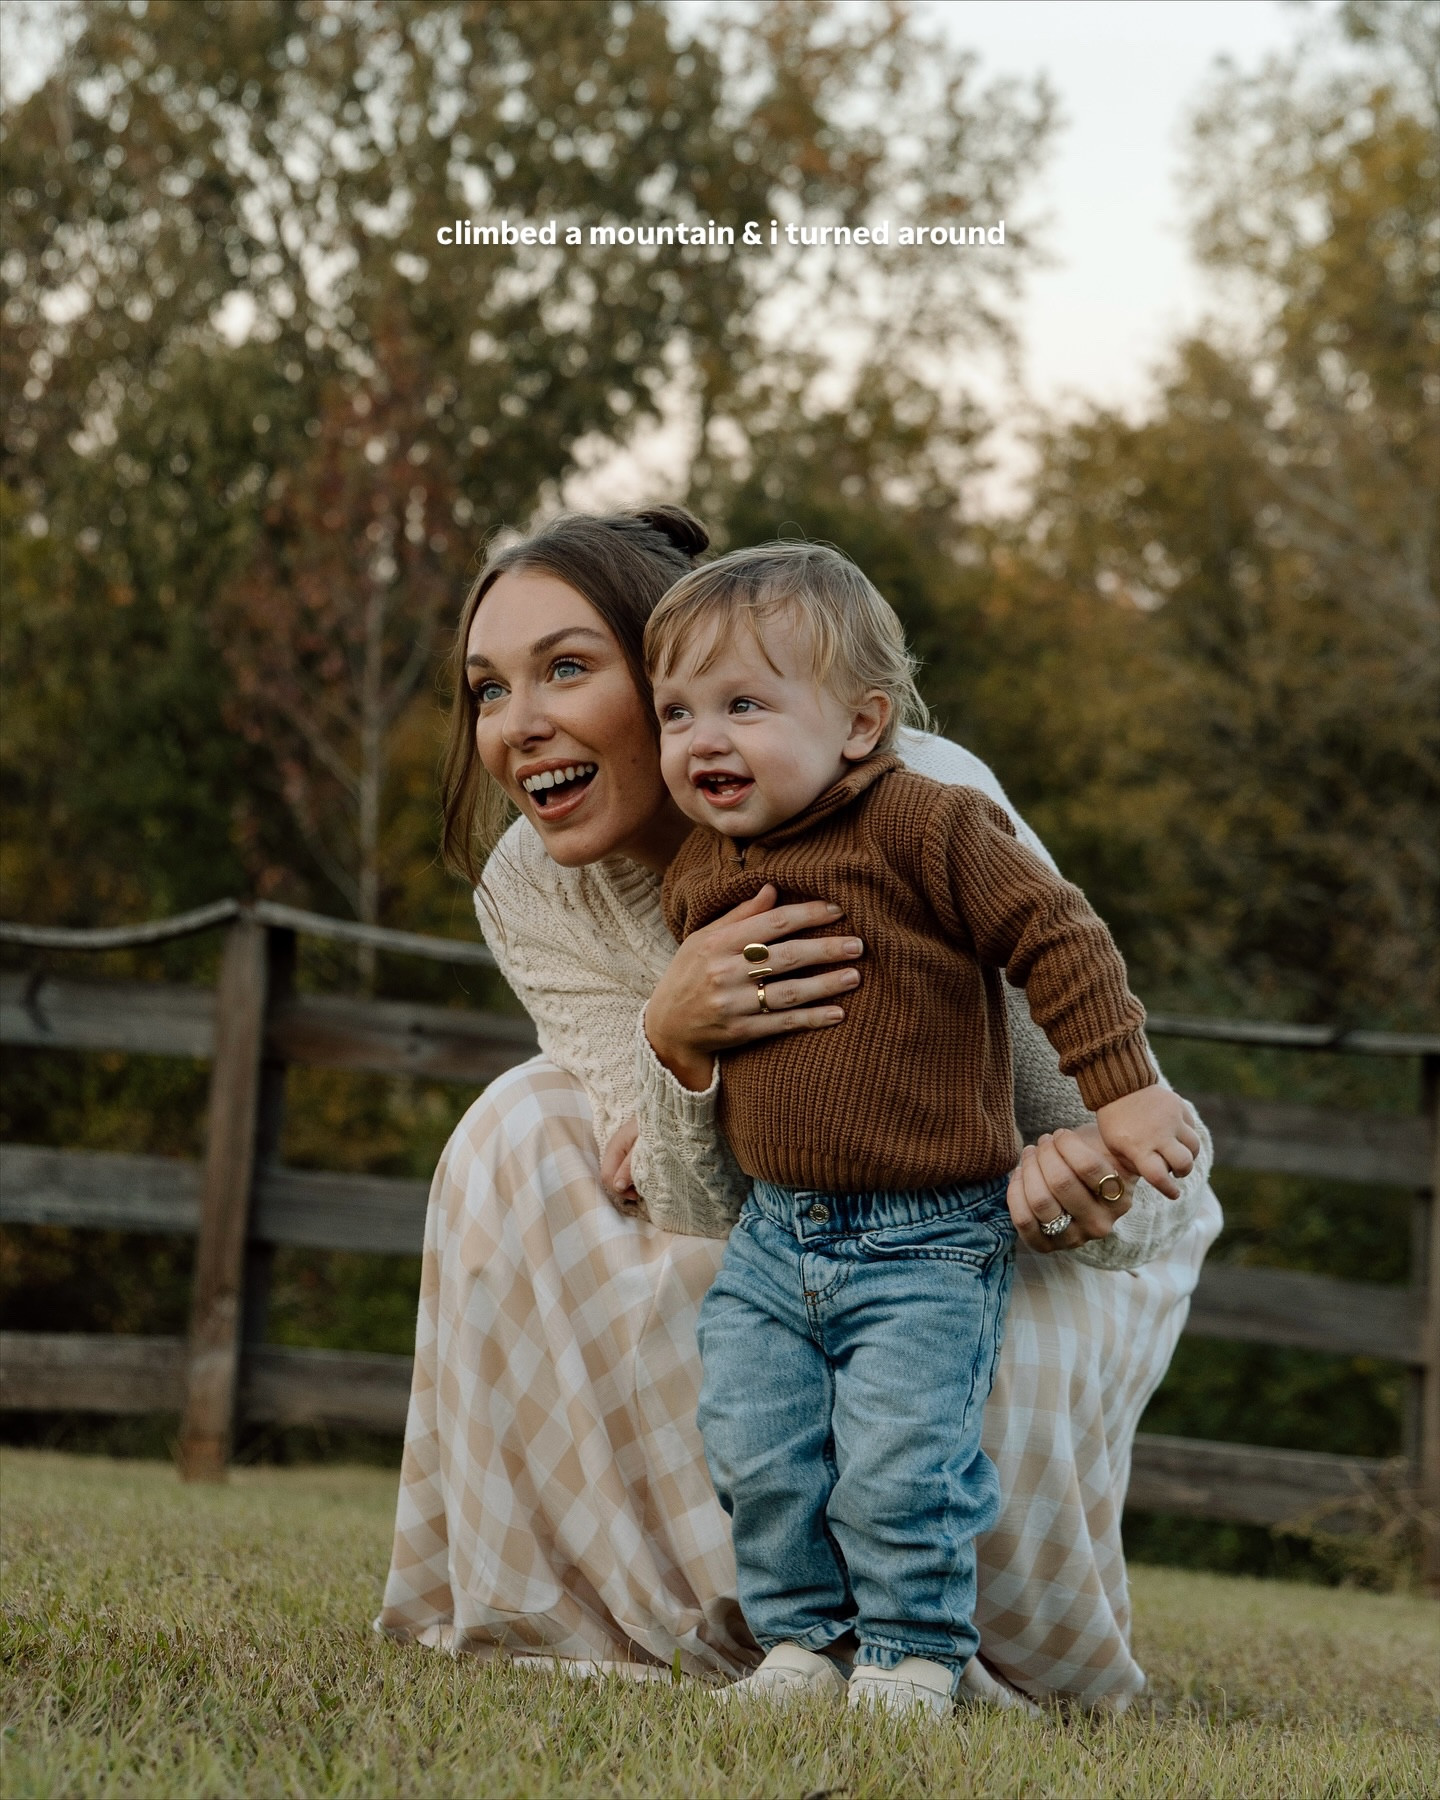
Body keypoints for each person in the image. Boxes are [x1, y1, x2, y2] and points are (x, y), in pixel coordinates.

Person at [376, 505, 1222, 1712]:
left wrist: (1084, 1187)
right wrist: (669, 1034)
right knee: (519, 1124)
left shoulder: (919, 808)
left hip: (1007, 1214)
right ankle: (731, 1625)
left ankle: (936, 1649)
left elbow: (1113, 1105)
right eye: (486, 689)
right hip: (781, 1218)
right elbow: (684, 1195)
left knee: (921, 1412)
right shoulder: (529, 885)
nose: (520, 726)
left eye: (567, 668)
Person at [644, 543, 1201, 1713]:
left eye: (745, 704)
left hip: (925, 1234)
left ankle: (911, 1656)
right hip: (774, 1232)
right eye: (677, 711)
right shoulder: (701, 869)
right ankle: (801, 1645)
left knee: (903, 1465)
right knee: (759, 1449)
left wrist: (1126, 1089)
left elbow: (1059, 934)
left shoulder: (925, 825)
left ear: (859, 724)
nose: (704, 739)